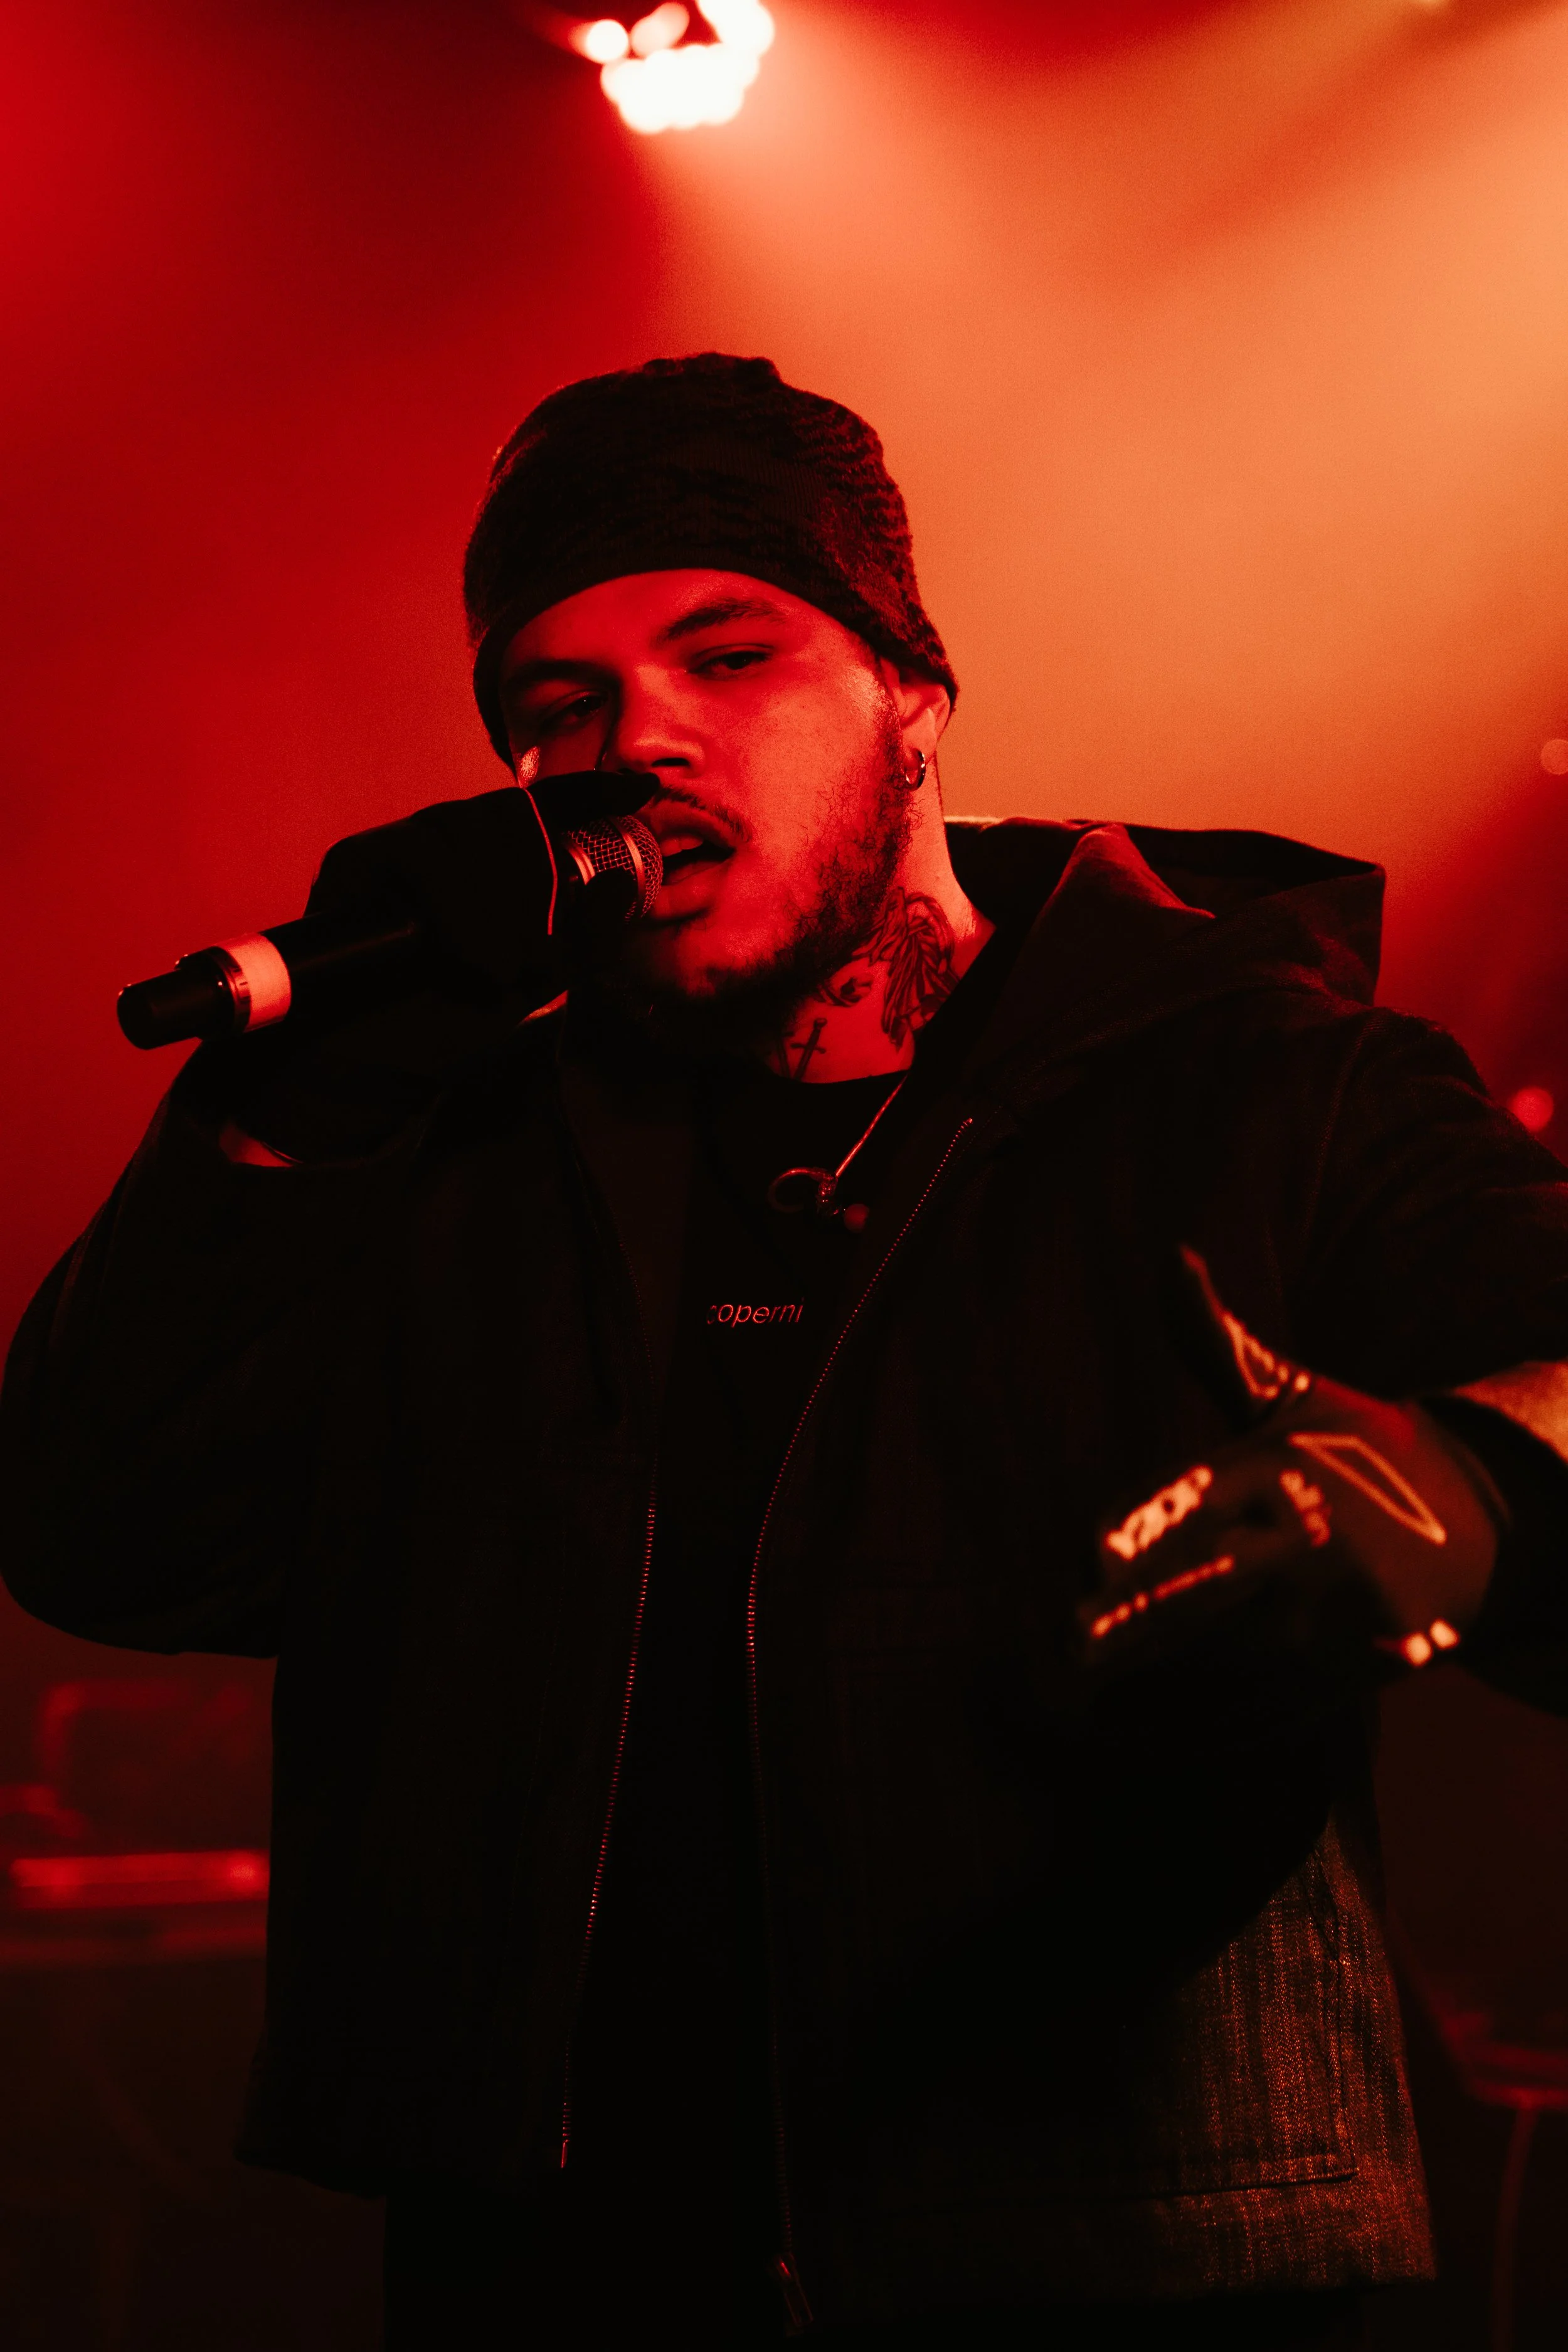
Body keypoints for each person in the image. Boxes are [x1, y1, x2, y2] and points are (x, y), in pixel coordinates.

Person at [5, 352, 1568, 2352]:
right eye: (552, 708)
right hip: (566, 2281)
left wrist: (1465, 1485)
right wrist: (279, 1124)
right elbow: (101, 1530)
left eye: (723, 655)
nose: (630, 738)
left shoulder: (1259, 1086)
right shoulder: (470, 1161)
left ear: (911, 699)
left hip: (1125, 2259)